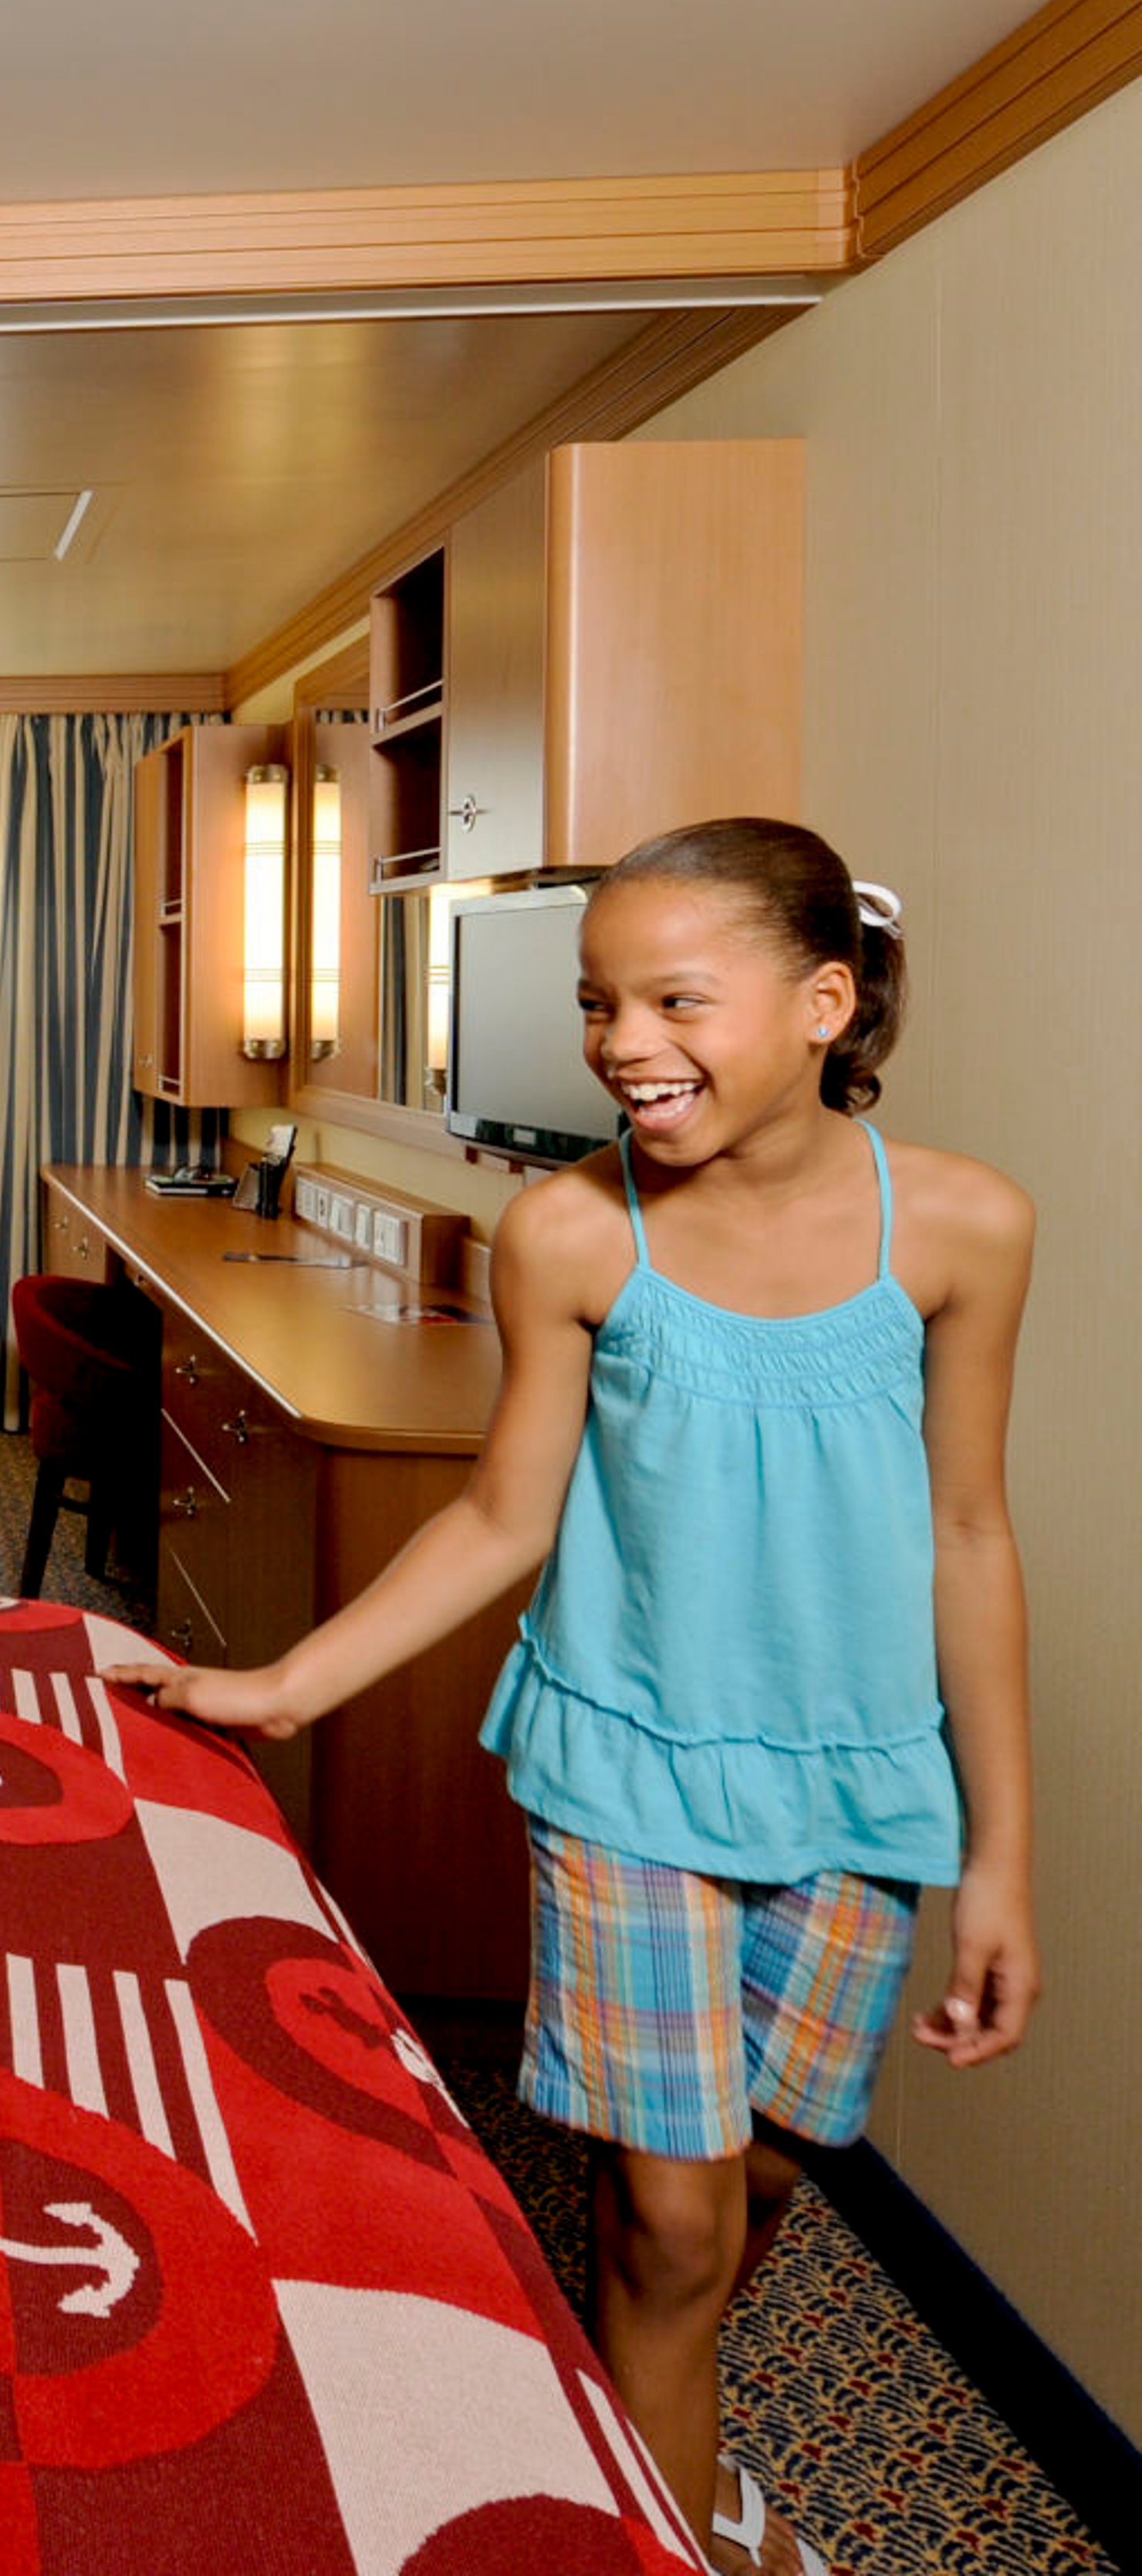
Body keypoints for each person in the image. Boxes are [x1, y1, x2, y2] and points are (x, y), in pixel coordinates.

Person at [110, 819, 1036, 2576]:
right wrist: (290, 1684)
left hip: (855, 1790)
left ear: (824, 1002)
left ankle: (652, 2450)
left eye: (672, 997)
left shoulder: (965, 1229)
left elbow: (970, 1533)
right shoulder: (567, 1233)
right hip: (620, 1765)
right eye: (599, 999)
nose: (619, 1039)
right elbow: (496, 1513)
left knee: (756, 2183)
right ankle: (660, 2527)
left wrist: (1000, 1853)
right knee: (668, 2220)